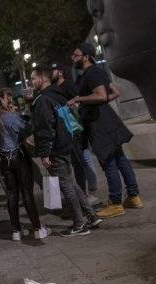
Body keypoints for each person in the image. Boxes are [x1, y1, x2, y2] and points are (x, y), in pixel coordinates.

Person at [68, 43, 143, 218]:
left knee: (108, 162)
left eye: (76, 55)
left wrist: (79, 99)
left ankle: (116, 203)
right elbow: (114, 92)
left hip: (99, 124)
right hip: (108, 121)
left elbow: (101, 95)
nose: (73, 58)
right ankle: (133, 196)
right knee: (121, 159)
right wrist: (97, 101)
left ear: (86, 56)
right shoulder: (97, 71)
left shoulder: (91, 73)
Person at [30, 65, 101, 237]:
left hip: (54, 148)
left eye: (33, 78)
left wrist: (45, 153)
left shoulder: (43, 100)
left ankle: (79, 225)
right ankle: (91, 216)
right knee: (72, 183)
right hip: (65, 144)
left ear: (43, 78)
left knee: (66, 186)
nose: (31, 82)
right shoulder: (57, 94)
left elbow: (45, 127)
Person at [0, 88, 50, 240]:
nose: (9, 101)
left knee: (12, 194)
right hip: (18, 157)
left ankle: (16, 231)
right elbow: (28, 129)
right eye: (6, 98)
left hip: (2, 161)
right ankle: (37, 228)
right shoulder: (9, 117)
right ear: (0, 99)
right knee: (27, 193)